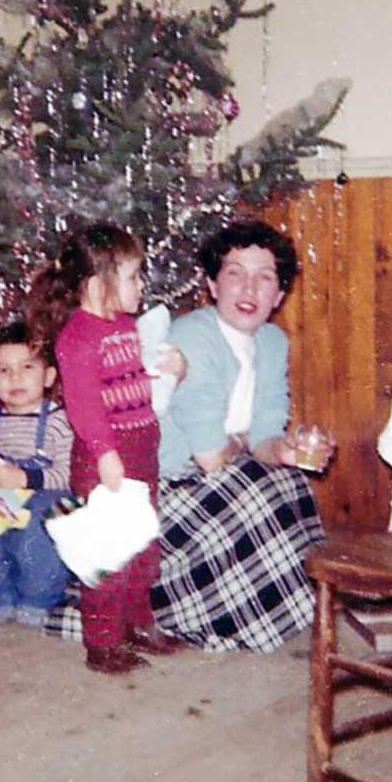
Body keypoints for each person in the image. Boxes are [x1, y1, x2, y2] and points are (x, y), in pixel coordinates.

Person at [151, 220, 329, 653]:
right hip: (167, 485)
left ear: (279, 294)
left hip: (217, 475)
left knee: (290, 483)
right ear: (213, 285)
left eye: (264, 277)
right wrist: (244, 444)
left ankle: (281, 609)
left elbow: (266, 433)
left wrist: (286, 451)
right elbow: (211, 456)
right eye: (235, 273)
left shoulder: (272, 342)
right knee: (253, 491)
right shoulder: (192, 336)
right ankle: (188, 612)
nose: (249, 288)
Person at [28, 223, 186, 675]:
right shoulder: (77, 338)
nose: (142, 285)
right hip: (106, 462)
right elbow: (83, 404)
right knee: (109, 555)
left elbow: (140, 381)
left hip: (142, 453)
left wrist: (174, 370)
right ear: (99, 285)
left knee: (143, 549)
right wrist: (104, 453)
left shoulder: (129, 326)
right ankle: (102, 643)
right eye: (134, 276)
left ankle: (137, 624)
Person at [0, 320, 73, 627]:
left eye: (27, 367)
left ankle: (39, 596)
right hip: (5, 495)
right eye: (3, 370)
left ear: (48, 376)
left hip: (51, 494)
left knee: (38, 515)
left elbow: (69, 474)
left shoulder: (60, 422)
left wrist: (25, 479)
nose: (15, 377)